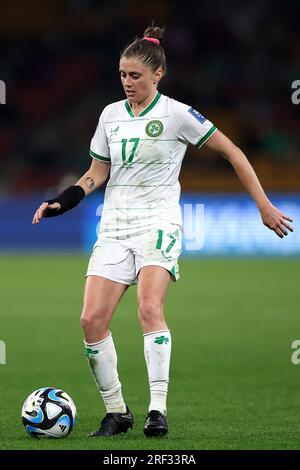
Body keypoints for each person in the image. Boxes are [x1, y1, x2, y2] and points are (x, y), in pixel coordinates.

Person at [32, 24, 294, 438]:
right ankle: (116, 412)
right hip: (115, 226)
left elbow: (232, 151)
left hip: (159, 223)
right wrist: (63, 201)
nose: (127, 82)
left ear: (157, 75)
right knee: (90, 320)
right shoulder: (110, 115)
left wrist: (263, 205)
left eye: (135, 75)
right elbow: (96, 172)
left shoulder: (177, 114)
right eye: (122, 74)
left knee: (149, 308)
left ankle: (157, 410)